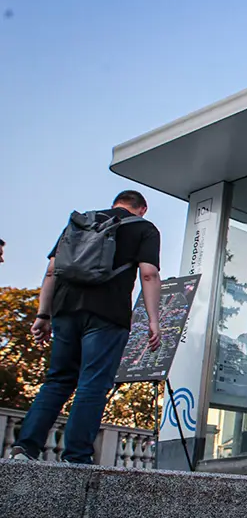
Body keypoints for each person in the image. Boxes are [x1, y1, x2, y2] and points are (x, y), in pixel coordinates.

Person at [9, 191, 161, 464]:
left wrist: (43, 314)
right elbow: (148, 274)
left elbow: (52, 270)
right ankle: (76, 456)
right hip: (108, 314)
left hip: (65, 310)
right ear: (142, 209)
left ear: (115, 203)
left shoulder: (81, 222)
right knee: (93, 384)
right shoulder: (144, 228)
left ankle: (24, 449)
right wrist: (153, 320)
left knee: (57, 380)